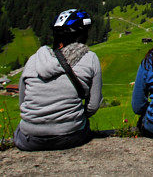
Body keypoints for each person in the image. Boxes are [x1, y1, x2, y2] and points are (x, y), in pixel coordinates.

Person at [13, 9, 103, 151]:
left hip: (30, 139)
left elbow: (22, 101)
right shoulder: (90, 58)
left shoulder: (34, 60)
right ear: (82, 34)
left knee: (19, 130)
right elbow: (93, 105)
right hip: (70, 136)